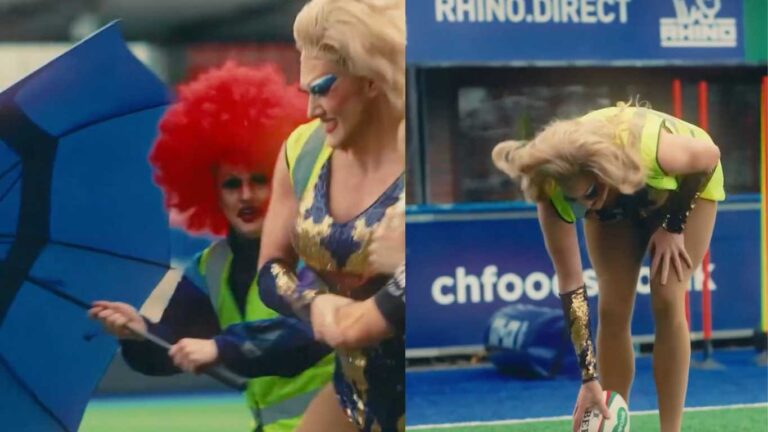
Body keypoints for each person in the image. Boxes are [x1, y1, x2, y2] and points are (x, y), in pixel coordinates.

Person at [88, 63, 335, 432]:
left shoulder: (320, 250)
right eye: (232, 185)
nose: (246, 195)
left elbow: (309, 333)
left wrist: (223, 348)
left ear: (286, 181)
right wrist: (137, 332)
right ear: (211, 193)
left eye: (259, 180)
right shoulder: (211, 268)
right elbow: (170, 349)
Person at [492, 101, 723, 432]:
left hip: (686, 187)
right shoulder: (552, 190)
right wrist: (589, 379)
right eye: (574, 200)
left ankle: (671, 429)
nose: (583, 206)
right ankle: (612, 418)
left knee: (667, 297)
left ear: (599, 170)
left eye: (587, 193)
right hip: (620, 202)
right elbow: (571, 285)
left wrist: (673, 227)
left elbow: (709, 155)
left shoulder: (656, 150)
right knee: (613, 309)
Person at [246, 0, 406, 430]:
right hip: (350, 394)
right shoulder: (303, 150)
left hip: (436, 395)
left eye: (323, 88)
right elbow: (270, 270)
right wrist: (312, 304)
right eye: (306, 91)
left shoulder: (429, 154)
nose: (311, 110)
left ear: (371, 79)